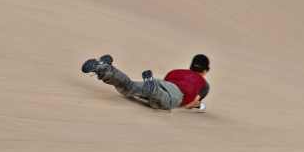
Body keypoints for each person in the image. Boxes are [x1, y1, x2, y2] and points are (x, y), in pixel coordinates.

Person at [81, 54, 210, 111]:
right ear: (205, 70)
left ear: (191, 66)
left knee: (129, 87)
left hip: (160, 83)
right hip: (176, 94)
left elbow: (167, 83)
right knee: (165, 101)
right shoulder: (204, 84)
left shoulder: (175, 72)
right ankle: (152, 90)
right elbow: (192, 103)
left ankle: (105, 69)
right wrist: (199, 107)